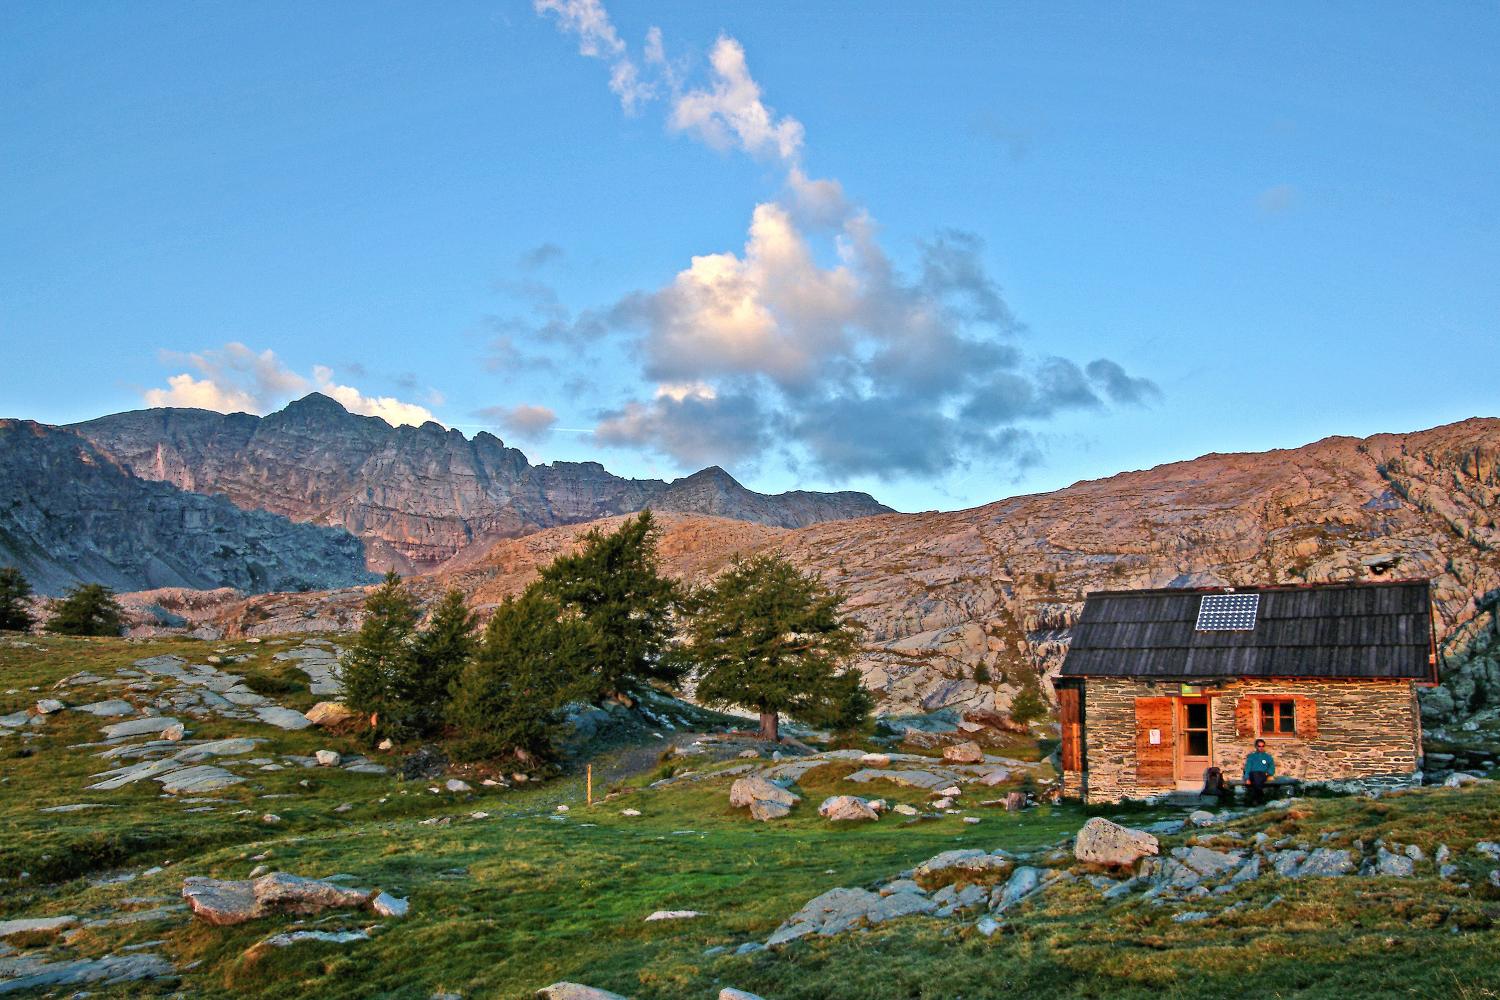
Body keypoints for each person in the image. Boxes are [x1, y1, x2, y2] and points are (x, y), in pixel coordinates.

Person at [1243, 739, 1276, 804]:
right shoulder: (1251, 756)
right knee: (1256, 775)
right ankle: (1260, 796)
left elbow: (1272, 767)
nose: (1261, 748)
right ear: (1256, 746)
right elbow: (1248, 768)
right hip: (1253, 774)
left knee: (1258, 777)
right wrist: (1247, 778)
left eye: (1262, 746)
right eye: (1259, 746)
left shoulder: (1268, 757)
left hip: (1263, 774)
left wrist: (1268, 773)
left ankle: (1256, 799)